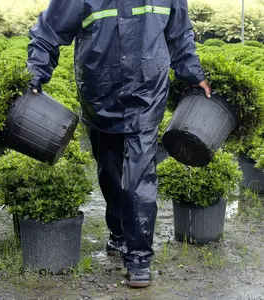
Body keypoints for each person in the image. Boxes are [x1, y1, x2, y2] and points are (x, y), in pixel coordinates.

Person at [27, 0, 211, 288]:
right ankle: (119, 234)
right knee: (109, 169)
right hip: (100, 92)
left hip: (147, 92)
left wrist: (195, 75)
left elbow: (179, 35)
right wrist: (36, 74)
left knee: (139, 175)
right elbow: (48, 30)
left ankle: (139, 259)